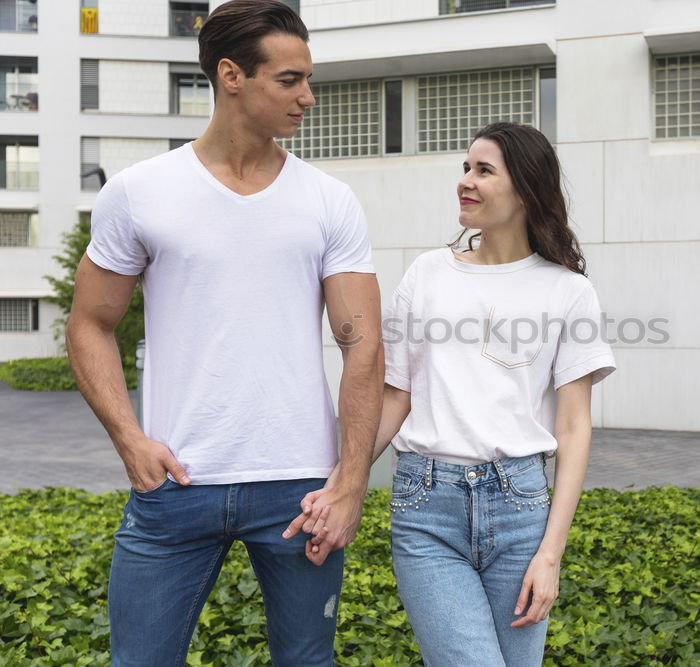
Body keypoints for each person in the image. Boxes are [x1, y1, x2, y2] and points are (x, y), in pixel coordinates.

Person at [65, 1, 383, 665]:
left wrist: (351, 481)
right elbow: (90, 322)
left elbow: (363, 343)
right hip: (175, 484)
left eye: (307, 79)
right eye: (290, 80)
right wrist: (130, 439)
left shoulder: (329, 200)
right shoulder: (139, 192)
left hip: (300, 489)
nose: (308, 97)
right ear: (232, 76)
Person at [289, 122, 616, 665]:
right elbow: (396, 397)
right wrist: (341, 486)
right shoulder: (427, 275)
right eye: (466, 168)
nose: (465, 181)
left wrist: (551, 554)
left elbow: (574, 425)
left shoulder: (567, 289)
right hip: (427, 510)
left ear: (526, 191)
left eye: (484, 171)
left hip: (521, 509)